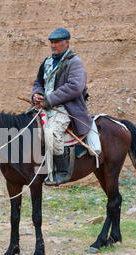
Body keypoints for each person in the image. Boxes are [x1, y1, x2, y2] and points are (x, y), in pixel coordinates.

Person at [31, 27, 94, 186]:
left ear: (66, 43)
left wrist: (47, 99)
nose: (53, 45)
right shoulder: (47, 62)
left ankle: (63, 171)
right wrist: (36, 94)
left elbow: (75, 87)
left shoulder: (75, 62)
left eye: (57, 42)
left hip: (67, 107)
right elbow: (39, 82)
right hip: (46, 106)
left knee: (52, 133)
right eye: (51, 42)